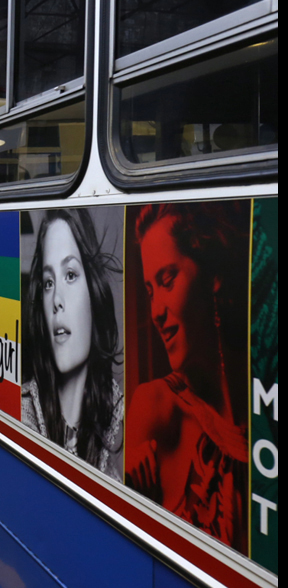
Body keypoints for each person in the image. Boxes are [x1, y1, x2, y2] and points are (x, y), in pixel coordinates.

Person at [125, 202, 248, 551]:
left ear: (212, 275)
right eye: (150, 291)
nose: (155, 312)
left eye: (167, 281)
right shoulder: (155, 405)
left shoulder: (258, 400)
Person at [21, 209, 124, 479]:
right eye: (48, 282)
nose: (56, 299)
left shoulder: (120, 428)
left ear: (93, 290)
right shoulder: (23, 415)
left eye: (70, 275)